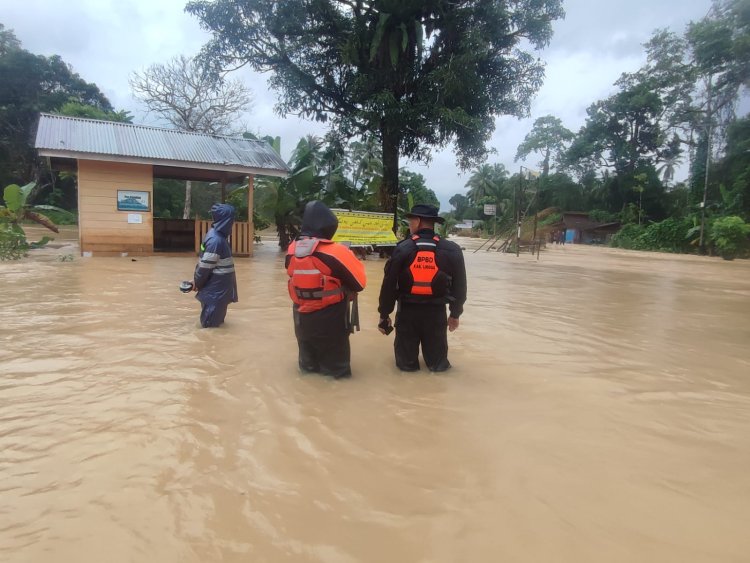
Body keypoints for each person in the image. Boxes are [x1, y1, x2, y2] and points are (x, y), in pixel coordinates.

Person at [377, 204, 467, 372]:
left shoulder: (402, 248)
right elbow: (460, 287)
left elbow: (389, 285)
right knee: (438, 367)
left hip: (407, 314)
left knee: (405, 368)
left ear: (417, 221)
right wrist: (455, 314)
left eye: (410, 221)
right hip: (437, 314)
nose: (410, 225)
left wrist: (384, 314)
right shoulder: (452, 250)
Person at [286, 201, 367, 378]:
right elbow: (360, 284)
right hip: (331, 320)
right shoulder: (336, 251)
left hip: (301, 319)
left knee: (308, 371)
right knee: (337, 374)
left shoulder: (291, 250)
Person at [193, 203, 238, 328]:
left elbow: (204, 267)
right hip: (215, 293)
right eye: (231, 220)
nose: (232, 224)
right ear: (226, 221)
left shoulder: (217, 237)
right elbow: (204, 268)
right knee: (210, 330)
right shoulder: (216, 241)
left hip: (218, 293)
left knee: (216, 328)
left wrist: (197, 282)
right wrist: (197, 283)